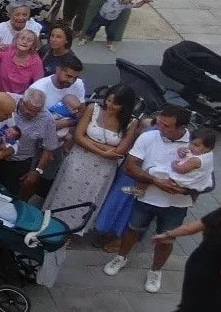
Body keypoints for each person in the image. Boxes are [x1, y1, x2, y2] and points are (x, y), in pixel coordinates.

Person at [103, 106, 200, 293]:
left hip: (176, 203)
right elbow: (130, 167)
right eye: (159, 122)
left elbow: (206, 177)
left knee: (167, 239)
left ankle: (156, 271)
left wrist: (185, 189)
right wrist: (155, 180)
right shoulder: (148, 137)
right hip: (146, 197)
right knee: (132, 229)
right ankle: (121, 257)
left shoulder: (196, 144)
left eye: (166, 125)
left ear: (182, 127)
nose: (159, 127)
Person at [41, 84, 138, 231]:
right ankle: (52, 222)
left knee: (89, 196)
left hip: (103, 169)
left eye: (116, 103)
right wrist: (105, 152)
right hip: (79, 161)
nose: (110, 105)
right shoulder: (93, 109)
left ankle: (74, 229)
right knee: (66, 191)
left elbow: (120, 151)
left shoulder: (131, 122)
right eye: (109, 100)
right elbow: (79, 136)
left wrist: (90, 142)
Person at [0, 88, 61, 199]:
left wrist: (37, 171)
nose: (31, 114)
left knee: (8, 196)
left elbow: (49, 148)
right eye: (29, 109)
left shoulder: (47, 119)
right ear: (22, 102)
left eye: (36, 111)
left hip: (18, 162)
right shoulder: (8, 101)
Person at [0, 29, 44, 95]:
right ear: (16, 40)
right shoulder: (5, 50)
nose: (24, 42)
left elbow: (38, 85)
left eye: (29, 40)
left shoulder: (36, 62)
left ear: (33, 45)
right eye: (22, 38)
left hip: (17, 97)